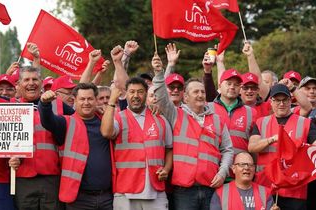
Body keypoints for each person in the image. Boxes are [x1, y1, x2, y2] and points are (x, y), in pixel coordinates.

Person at [152, 54, 233, 210]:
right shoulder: (176, 114)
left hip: (211, 187)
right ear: (186, 97)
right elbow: (161, 97)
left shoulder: (217, 119)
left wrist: (223, 172)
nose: (201, 95)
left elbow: (228, 149)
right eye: (196, 92)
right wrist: (159, 73)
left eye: (202, 92)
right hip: (184, 191)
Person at [248, 84, 316, 210]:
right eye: (277, 100)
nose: (281, 104)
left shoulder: (304, 123)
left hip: (294, 189)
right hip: (266, 186)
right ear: (271, 102)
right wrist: (272, 139)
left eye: (285, 100)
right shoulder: (261, 122)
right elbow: (252, 147)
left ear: (290, 101)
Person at [100, 77, 173, 210]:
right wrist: (111, 101)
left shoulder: (160, 119)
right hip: (125, 192)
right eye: (132, 92)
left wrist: (166, 169)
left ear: (146, 94)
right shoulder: (117, 118)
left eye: (140, 92)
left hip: (155, 191)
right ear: (126, 94)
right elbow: (106, 132)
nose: (136, 96)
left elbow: (169, 149)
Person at [38, 83, 113, 210]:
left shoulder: (106, 121)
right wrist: (44, 104)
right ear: (75, 101)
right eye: (82, 99)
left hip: (107, 196)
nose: (86, 102)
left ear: (96, 100)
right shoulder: (66, 122)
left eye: (90, 99)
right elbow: (48, 121)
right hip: (79, 198)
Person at [8, 66, 66, 210]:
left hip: (52, 177)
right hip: (22, 177)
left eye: (35, 79)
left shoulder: (57, 105)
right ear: (19, 84)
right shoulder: (9, 108)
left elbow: (82, 115)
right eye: (26, 79)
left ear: (41, 82)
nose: (31, 83)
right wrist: (8, 158)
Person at [208, 69, 257, 155]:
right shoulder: (207, 108)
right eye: (229, 83)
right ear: (219, 86)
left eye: (236, 84)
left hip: (240, 166)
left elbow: (254, 146)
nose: (232, 87)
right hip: (213, 164)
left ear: (240, 88)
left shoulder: (251, 112)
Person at [210, 152, 279, 210]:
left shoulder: (265, 193)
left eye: (250, 165)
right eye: (242, 164)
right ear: (233, 168)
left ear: (254, 169)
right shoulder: (221, 192)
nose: (246, 168)